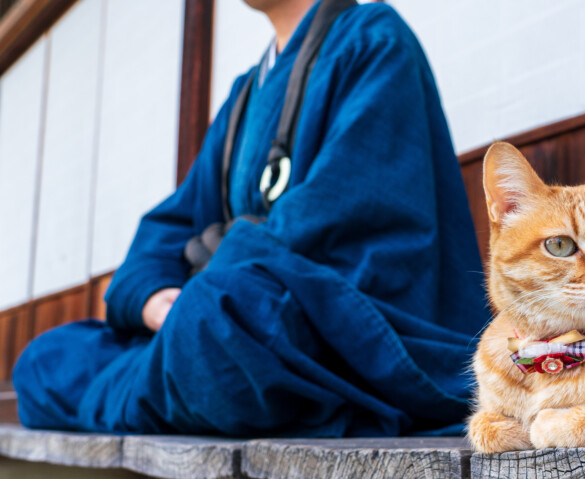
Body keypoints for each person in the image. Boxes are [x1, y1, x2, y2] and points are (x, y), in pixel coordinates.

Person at [12, 0, 489, 437]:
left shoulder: (372, 41)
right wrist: (157, 301)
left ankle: (172, 381)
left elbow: (348, 219)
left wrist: (212, 279)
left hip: (327, 331)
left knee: (217, 315)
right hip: (221, 333)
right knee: (44, 359)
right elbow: (166, 230)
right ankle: (178, 381)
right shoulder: (245, 95)